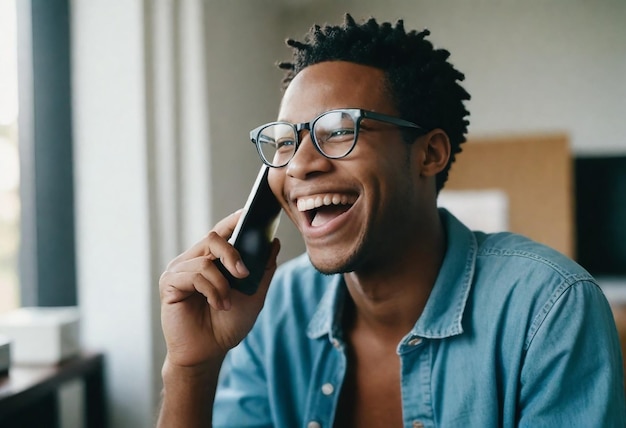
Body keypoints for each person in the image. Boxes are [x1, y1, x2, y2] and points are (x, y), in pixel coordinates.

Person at [157, 14, 626, 427]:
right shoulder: (274, 309)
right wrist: (191, 369)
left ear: (430, 153)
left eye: (340, 130)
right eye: (285, 142)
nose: (299, 165)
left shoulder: (549, 308)